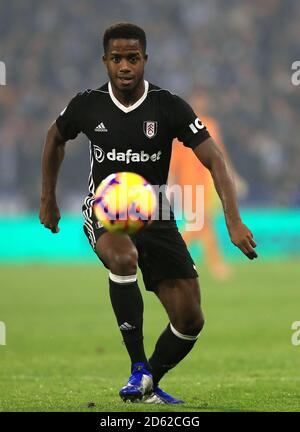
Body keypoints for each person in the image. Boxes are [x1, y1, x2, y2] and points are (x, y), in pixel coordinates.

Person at [39, 22, 257, 404]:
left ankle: (147, 382)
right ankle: (138, 365)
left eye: (133, 58)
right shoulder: (87, 104)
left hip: (156, 210)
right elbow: (55, 137)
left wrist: (233, 219)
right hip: (104, 209)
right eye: (117, 58)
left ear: (145, 60)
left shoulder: (168, 106)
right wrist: (48, 199)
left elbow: (215, 159)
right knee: (122, 258)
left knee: (190, 319)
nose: (125, 66)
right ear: (105, 61)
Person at [169, 90, 249, 280]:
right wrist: (170, 181)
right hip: (188, 184)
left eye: (204, 99)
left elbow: (219, 154)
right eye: (198, 98)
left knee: (206, 224)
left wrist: (232, 176)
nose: (202, 102)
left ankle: (215, 264)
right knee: (198, 225)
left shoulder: (211, 125)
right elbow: (174, 158)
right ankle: (170, 256)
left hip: (208, 183)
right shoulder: (181, 125)